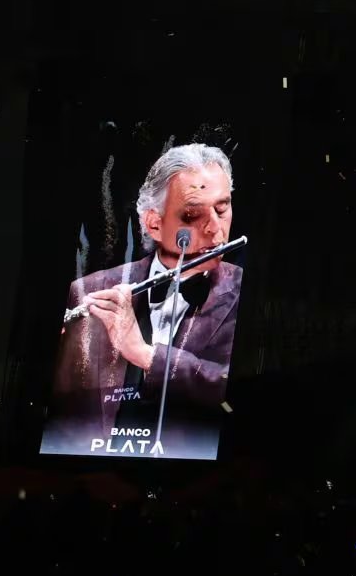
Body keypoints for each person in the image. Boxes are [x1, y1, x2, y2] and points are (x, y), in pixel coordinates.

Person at [43, 143, 242, 460]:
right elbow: (65, 404)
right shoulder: (88, 289)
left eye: (222, 208)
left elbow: (231, 389)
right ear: (154, 224)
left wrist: (144, 353)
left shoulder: (244, 291)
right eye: (192, 214)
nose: (216, 230)